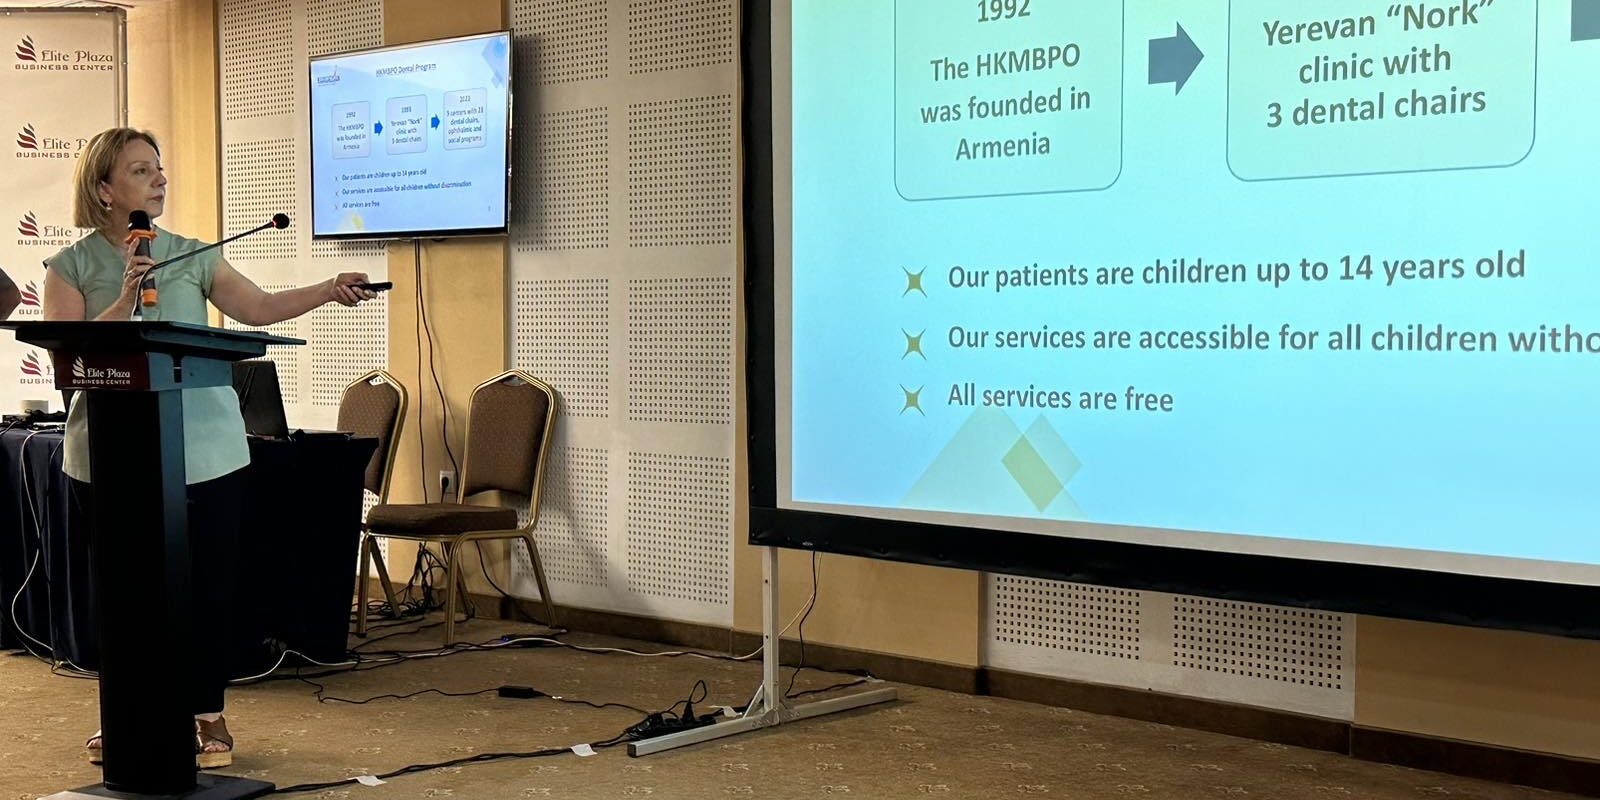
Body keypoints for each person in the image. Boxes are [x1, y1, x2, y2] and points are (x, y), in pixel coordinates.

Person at [41, 127, 377, 769]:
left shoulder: (193, 255)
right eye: (141, 171)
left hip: (207, 450)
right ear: (104, 189)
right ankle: (128, 712)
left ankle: (205, 710)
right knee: (124, 591)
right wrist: (123, 297)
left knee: (207, 586)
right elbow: (70, 350)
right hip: (108, 455)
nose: (159, 179)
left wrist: (329, 287)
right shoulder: (71, 265)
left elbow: (258, 309)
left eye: (159, 168)